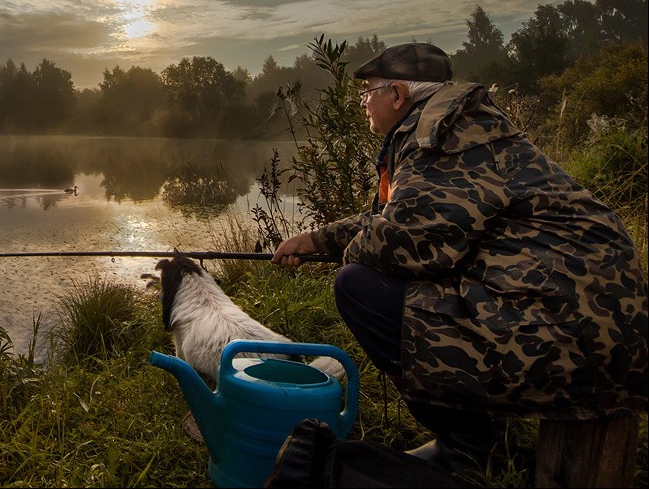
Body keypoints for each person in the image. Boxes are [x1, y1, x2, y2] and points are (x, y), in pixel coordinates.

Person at [271, 42, 649, 474]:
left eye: (368, 92)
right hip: (581, 313)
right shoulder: (456, 124)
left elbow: (411, 241)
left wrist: (347, 255)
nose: (363, 103)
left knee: (358, 286)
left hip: (577, 331)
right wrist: (317, 240)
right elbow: (401, 216)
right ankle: (475, 433)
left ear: (397, 95)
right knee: (374, 275)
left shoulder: (439, 139)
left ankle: (466, 447)